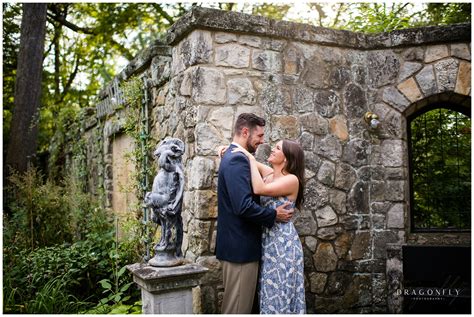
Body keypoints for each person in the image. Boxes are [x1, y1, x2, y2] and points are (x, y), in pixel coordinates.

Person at [216, 113, 294, 314]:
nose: (262, 140)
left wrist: (243, 154)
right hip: (240, 249)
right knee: (237, 309)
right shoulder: (236, 160)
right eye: (259, 135)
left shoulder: (236, 157)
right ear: (245, 132)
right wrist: (273, 215)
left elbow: (267, 175)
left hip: (240, 247)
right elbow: (243, 206)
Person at [226, 139, 306, 314]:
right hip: (267, 243)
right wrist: (228, 148)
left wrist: (252, 159)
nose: (272, 149)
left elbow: (259, 188)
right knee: (268, 294)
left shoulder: (291, 180)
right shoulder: (270, 174)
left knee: (280, 294)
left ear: (286, 158)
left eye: (277, 148)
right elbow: (249, 162)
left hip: (283, 245)